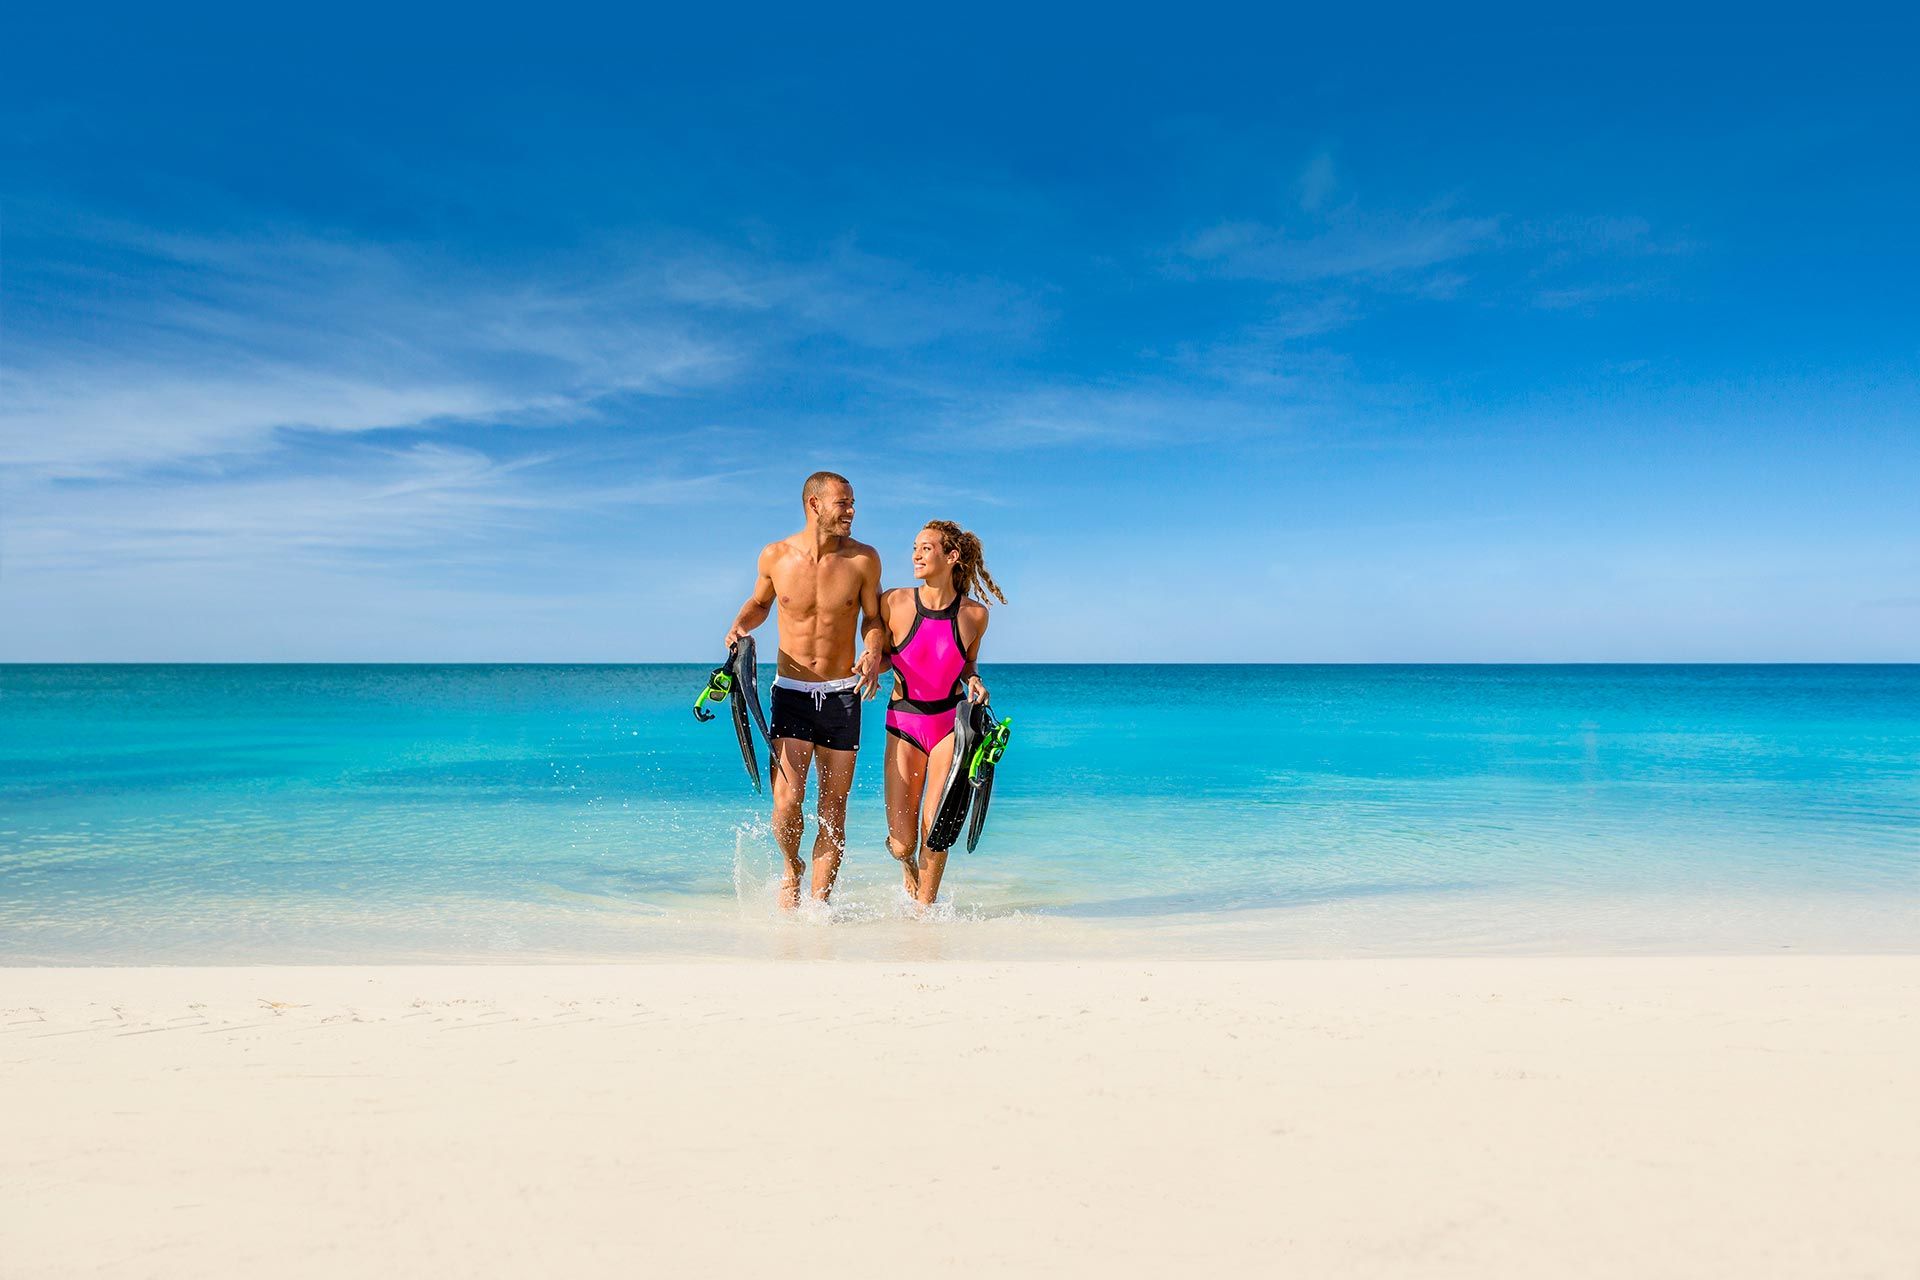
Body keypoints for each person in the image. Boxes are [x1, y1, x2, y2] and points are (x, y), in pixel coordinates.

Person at [723, 472, 884, 908]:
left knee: (834, 809)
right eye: (843, 503)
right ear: (814, 505)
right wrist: (739, 625)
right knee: (787, 800)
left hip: (842, 695)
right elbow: (759, 604)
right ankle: (792, 866)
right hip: (791, 692)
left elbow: (873, 620)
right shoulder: (776, 556)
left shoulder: (864, 560)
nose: (851, 511)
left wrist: (871, 651)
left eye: (853, 503)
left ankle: (820, 908)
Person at [879, 520, 1005, 908]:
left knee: (937, 830)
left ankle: (924, 917)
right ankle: (906, 866)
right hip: (903, 722)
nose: (916, 555)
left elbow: (967, 663)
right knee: (902, 842)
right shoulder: (894, 602)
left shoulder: (974, 615)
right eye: (915, 547)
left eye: (926, 548)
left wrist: (975, 680)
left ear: (951, 557)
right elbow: (885, 657)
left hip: (949, 725)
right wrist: (869, 663)